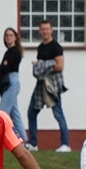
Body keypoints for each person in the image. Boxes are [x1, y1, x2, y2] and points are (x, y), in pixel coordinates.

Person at [26, 19, 70, 152]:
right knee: (32, 112)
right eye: (43, 29)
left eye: (47, 29)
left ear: (51, 30)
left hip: (52, 86)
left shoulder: (56, 47)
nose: (45, 31)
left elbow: (60, 66)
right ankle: (33, 143)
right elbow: (40, 69)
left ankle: (65, 144)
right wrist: (45, 66)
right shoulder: (40, 47)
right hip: (40, 85)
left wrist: (42, 66)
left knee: (58, 114)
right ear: (39, 31)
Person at [0, 27, 27, 143]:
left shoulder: (15, 51)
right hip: (10, 82)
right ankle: (24, 140)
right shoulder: (8, 52)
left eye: (11, 35)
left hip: (12, 82)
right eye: (6, 35)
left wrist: (3, 65)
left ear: (15, 37)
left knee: (2, 112)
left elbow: (6, 67)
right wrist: (3, 65)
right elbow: (3, 66)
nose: (8, 37)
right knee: (15, 113)